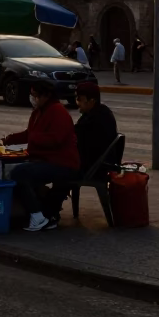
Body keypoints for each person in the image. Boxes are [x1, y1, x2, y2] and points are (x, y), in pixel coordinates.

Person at [2, 80, 79, 232]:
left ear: (46, 96)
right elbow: (29, 133)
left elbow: (55, 139)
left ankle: (37, 216)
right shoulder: (38, 112)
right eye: (32, 95)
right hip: (46, 160)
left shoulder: (58, 112)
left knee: (19, 173)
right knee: (11, 169)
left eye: (35, 96)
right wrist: (9, 139)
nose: (33, 99)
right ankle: (43, 212)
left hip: (62, 163)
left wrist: (33, 140)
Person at [45, 82, 120, 224]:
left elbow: (78, 140)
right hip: (95, 163)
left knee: (61, 171)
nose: (77, 103)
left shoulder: (96, 119)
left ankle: (49, 211)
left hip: (94, 167)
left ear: (92, 101)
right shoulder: (96, 113)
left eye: (80, 99)